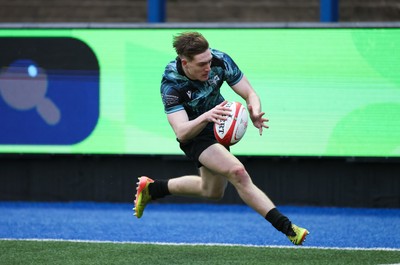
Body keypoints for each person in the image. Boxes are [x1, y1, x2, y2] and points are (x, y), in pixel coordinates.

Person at [133, 31, 309, 245]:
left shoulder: (219, 60)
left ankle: (152, 189)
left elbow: (250, 93)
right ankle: (288, 228)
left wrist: (255, 110)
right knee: (238, 172)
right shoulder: (171, 84)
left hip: (218, 124)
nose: (208, 67)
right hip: (195, 133)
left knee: (212, 191)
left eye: (209, 61)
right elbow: (181, 132)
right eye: (201, 64)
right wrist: (205, 117)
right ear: (185, 62)